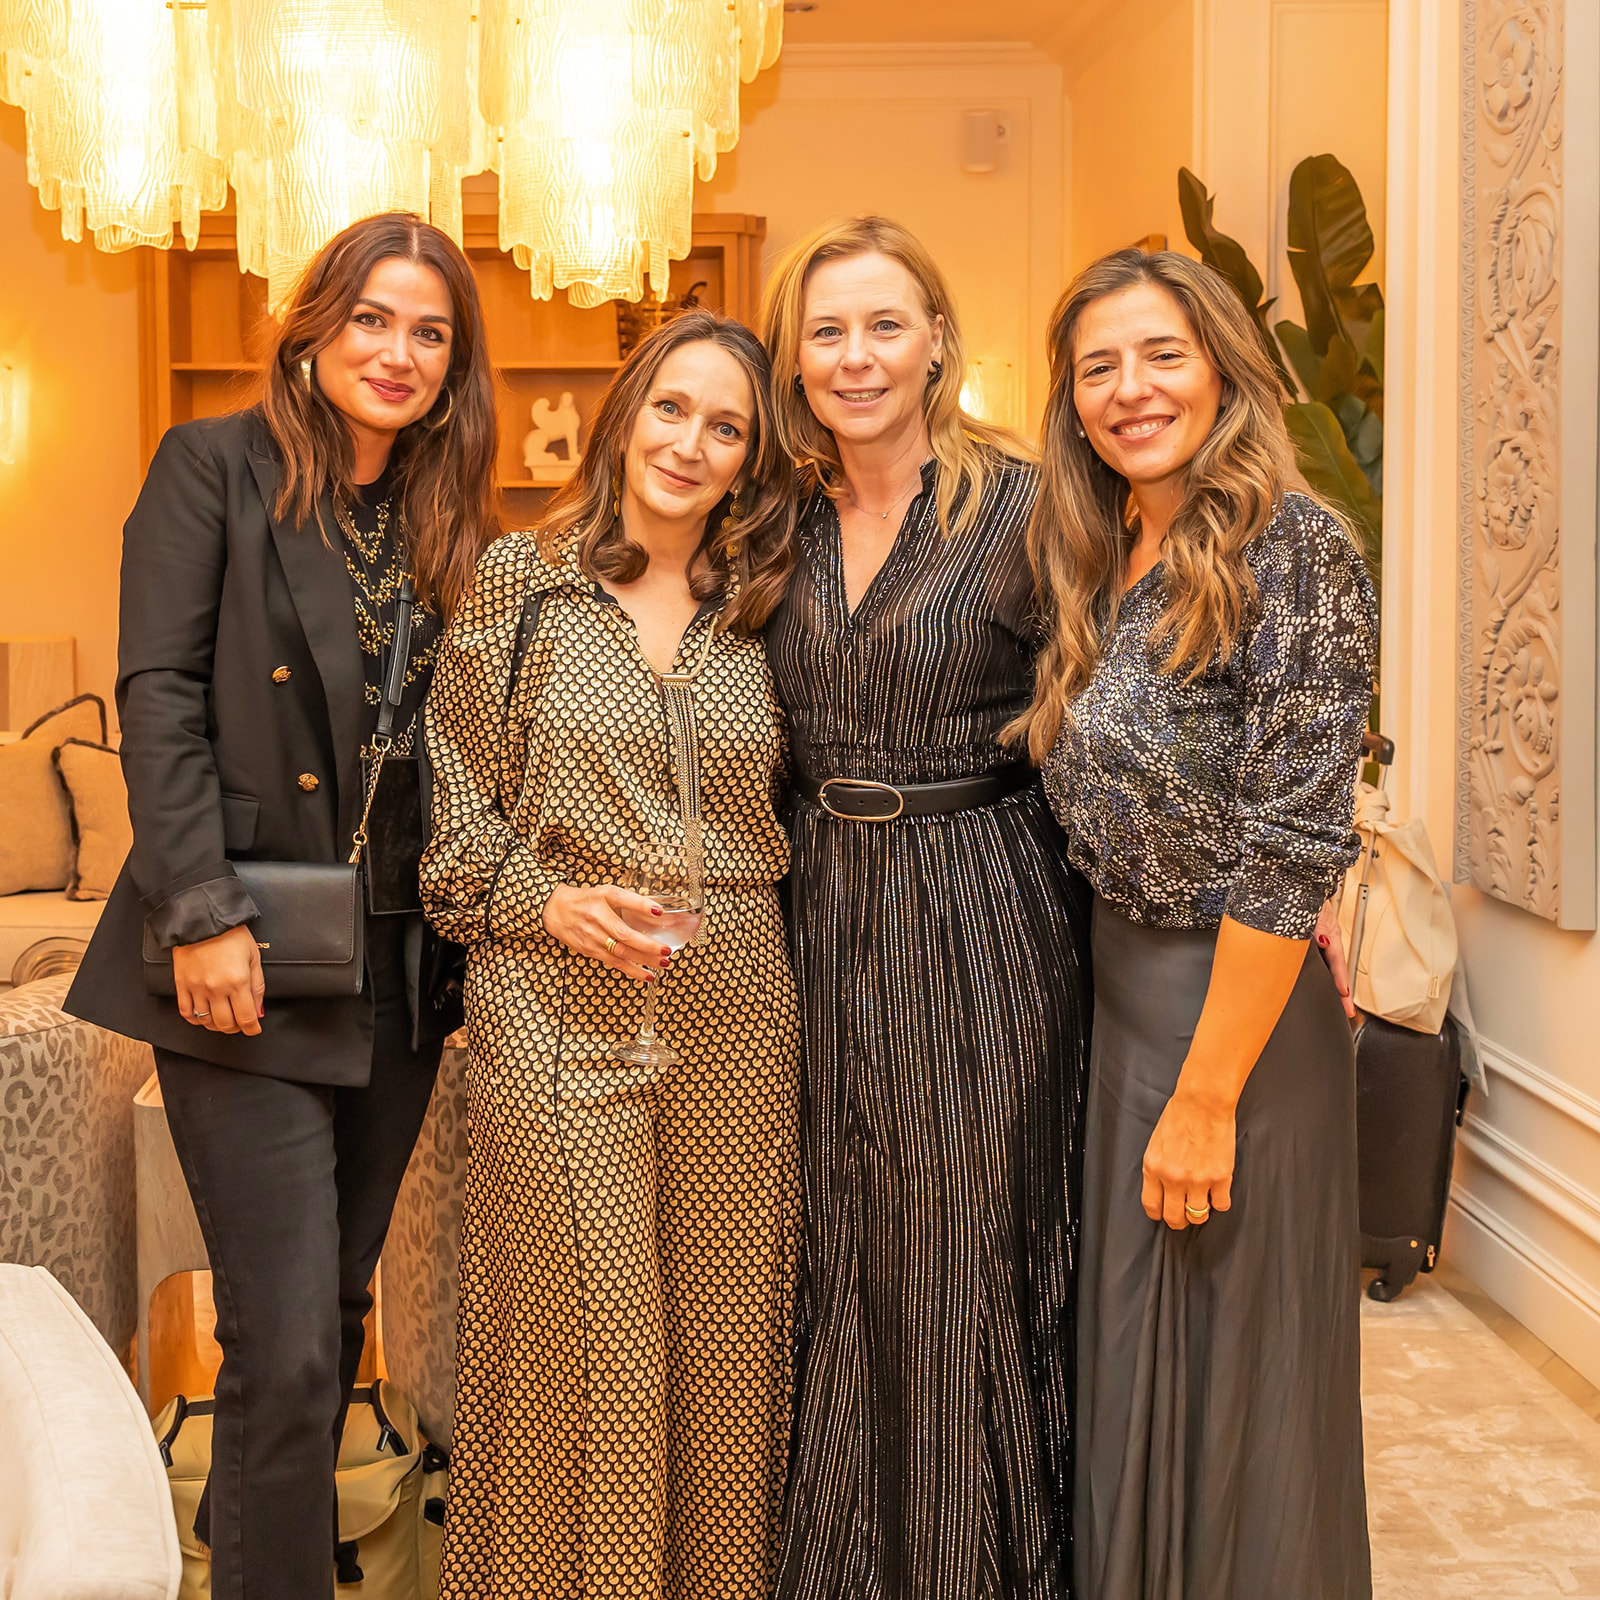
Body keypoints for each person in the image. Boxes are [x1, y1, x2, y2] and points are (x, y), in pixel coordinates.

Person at [66, 213, 497, 1600]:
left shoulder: (451, 513)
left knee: (333, 1315)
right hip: (244, 947)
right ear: (313, 327)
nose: (399, 352)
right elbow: (160, 696)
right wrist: (197, 911)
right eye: (372, 318)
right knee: (292, 1340)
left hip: (395, 967)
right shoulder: (213, 467)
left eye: (430, 331)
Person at [419, 309, 801, 1600]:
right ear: (625, 413)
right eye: (671, 409)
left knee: (723, 1345)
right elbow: (453, 822)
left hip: (738, 1005)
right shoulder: (521, 585)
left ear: (753, 458)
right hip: (552, 994)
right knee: (601, 1340)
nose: (690, 444)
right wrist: (550, 902)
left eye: (726, 426)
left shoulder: (771, 610)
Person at [1014, 248, 1376, 1599]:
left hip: (1233, 1023)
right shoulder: (1104, 550)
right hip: (1124, 1005)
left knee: (1236, 1397)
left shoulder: (1297, 545)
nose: (1130, 389)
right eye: (1099, 366)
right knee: (1134, 1372)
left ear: (1220, 361)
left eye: (1160, 354)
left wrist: (1209, 1095)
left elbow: (1293, 844)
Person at [759, 215, 1091, 1600]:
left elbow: (1117, 709)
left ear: (940, 337)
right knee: (835, 1249)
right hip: (814, 909)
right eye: (828, 330)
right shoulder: (763, 516)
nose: (856, 357)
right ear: (795, 355)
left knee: (962, 1255)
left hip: (982, 904)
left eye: (885, 325)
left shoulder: (1027, 506)